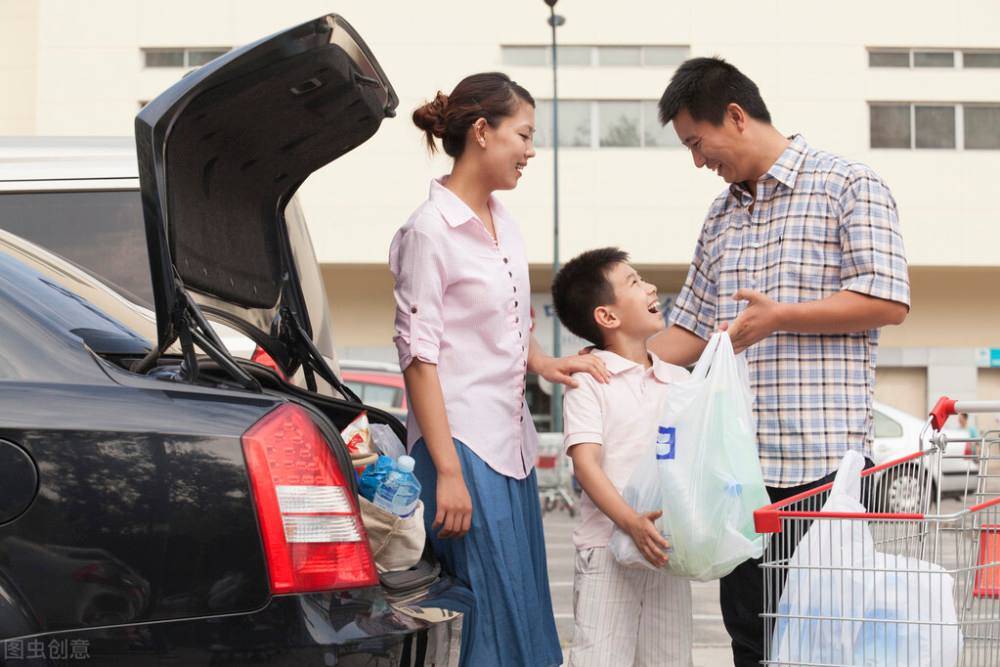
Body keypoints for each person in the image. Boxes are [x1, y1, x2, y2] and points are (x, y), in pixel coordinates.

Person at [648, 57, 911, 665]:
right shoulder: (721, 215)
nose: (697, 161)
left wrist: (781, 316)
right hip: (739, 475)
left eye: (697, 142)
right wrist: (612, 364)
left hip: (823, 470)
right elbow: (687, 327)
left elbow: (887, 299)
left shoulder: (847, 184)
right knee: (751, 635)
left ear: (735, 116)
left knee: (824, 637)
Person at [389, 72, 608, 667]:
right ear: (482, 133)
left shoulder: (502, 220)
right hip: (462, 450)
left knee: (523, 610)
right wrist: (449, 472)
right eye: (524, 134)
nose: (532, 151)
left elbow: (510, 320)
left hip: (509, 445)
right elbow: (418, 357)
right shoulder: (429, 231)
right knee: (490, 612)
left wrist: (544, 362)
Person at [552, 247, 694, 667]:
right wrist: (630, 521)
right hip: (607, 549)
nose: (651, 287)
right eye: (633, 281)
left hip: (666, 548)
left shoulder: (679, 379)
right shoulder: (589, 377)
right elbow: (586, 464)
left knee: (669, 660)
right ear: (607, 317)